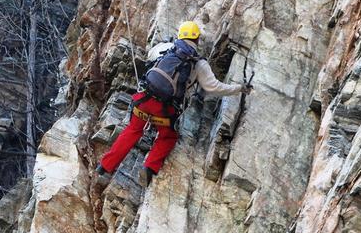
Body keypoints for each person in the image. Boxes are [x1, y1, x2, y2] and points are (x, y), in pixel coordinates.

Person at [96, 20, 252, 186]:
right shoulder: (199, 64)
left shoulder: (166, 48)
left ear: (180, 36)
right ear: (197, 40)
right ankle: (149, 168)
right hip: (164, 110)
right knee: (168, 136)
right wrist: (239, 88)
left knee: (133, 130)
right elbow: (214, 87)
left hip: (144, 100)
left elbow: (150, 58)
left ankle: (104, 168)